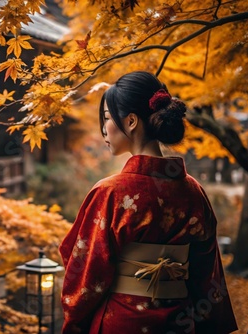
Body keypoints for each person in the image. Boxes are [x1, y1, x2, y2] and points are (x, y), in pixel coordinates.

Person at [59, 71, 238, 333]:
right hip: (182, 322)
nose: (103, 129)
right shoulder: (194, 192)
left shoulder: (110, 193)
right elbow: (207, 275)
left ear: (131, 121)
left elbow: (86, 277)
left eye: (107, 118)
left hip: (123, 322)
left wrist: (75, 323)